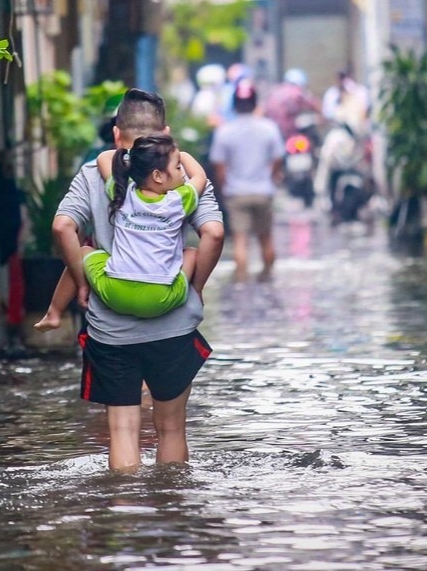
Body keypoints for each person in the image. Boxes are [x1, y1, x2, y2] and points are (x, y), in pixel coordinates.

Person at [51, 88, 224, 472]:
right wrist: (191, 289)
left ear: (116, 134)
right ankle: (170, 511)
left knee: (123, 431)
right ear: (164, 133)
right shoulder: (179, 181)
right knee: (172, 429)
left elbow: (63, 226)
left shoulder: (94, 176)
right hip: (173, 324)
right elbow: (213, 233)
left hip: (110, 330)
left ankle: (125, 520)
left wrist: (82, 283)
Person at [35, 135, 207, 329]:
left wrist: (129, 156)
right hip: (160, 298)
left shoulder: (122, 193)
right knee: (192, 252)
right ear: (158, 176)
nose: (182, 174)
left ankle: (54, 313)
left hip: (114, 293)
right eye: (177, 168)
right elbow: (199, 177)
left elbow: (103, 159)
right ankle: (197, 293)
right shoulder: (178, 200)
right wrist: (183, 154)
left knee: (83, 251)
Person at [209, 79, 284, 283]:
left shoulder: (224, 131)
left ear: (234, 104)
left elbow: (219, 166)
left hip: (236, 193)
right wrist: (272, 176)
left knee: (240, 242)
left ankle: (241, 284)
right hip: (263, 191)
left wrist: (224, 188)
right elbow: (278, 157)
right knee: (266, 239)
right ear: (255, 102)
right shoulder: (269, 128)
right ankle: (267, 281)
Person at [263, 67, 321, 140]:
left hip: (272, 133)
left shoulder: (274, 91)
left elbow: (261, 110)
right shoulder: (297, 92)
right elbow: (316, 105)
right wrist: (322, 118)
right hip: (289, 134)